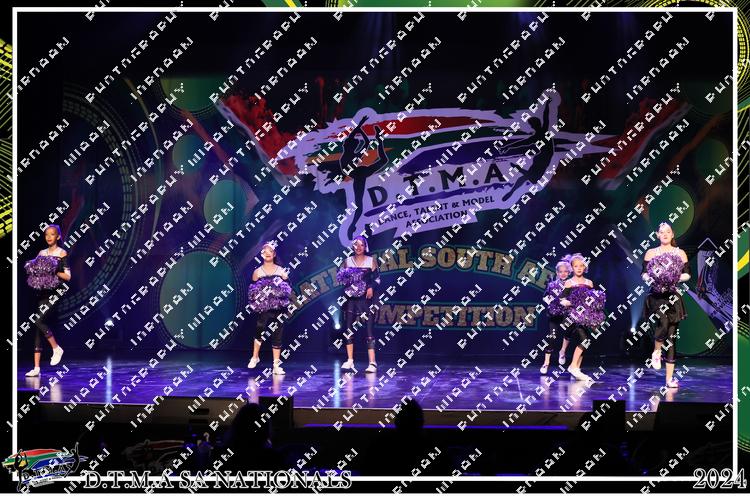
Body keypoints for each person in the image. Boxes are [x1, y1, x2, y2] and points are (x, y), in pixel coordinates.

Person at [640, 222, 689, 388]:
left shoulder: (680, 253)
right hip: (656, 296)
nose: (665, 234)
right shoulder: (651, 252)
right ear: (657, 235)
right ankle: (656, 351)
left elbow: (687, 274)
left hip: (673, 297)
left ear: (672, 234)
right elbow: (644, 273)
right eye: (662, 232)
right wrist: (653, 278)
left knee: (671, 337)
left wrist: (673, 277)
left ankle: (669, 379)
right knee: (663, 321)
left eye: (668, 232)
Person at [25, 225, 69, 377]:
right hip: (42, 292)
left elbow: (68, 276)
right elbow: (34, 271)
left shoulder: (62, 253)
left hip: (55, 293)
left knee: (38, 320)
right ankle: (36, 368)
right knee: (38, 326)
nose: (49, 237)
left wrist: (54, 270)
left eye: (52, 234)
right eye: (46, 234)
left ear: (58, 236)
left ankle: (56, 348)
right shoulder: (41, 253)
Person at [339, 235, 380, 373]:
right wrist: (347, 284)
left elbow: (377, 279)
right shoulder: (347, 261)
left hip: (366, 299)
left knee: (369, 329)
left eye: (361, 244)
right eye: (356, 244)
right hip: (351, 299)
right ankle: (350, 361)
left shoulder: (371, 260)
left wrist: (371, 287)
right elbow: (341, 278)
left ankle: (372, 362)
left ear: (365, 246)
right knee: (348, 329)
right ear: (353, 246)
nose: (358, 247)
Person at [248, 242, 289, 375]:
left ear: (274, 254)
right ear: (261, 254)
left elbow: (287, 290)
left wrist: (284, 281)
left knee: (278, 333)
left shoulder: (281, 271)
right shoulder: (257, 272)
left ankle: (276, 365)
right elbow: (252, 292)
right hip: (264, 308)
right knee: (259, 329)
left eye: (270, 251)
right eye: (264, 251)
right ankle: (255, 357)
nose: (267, 253)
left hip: (278, 308)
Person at [559, 253, 595, 382]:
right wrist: (569, 302)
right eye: (576, 266)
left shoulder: (589, 283)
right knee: (584, 340)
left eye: (581, 266)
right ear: (572, 268)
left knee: (585, 342)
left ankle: (577, 369)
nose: (579, 268)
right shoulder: (569, 282)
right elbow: (562, 299)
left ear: (585, 267)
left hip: (586, 316)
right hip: (573, 315)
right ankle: (573, 366)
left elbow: (593, 299)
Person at [540, 256, 572, 374]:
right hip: (553, 314)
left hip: (566, 314)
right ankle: (546, 363)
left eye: (565, 271)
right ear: (557, 273)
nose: (563, 274)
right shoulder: (552, 285)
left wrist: (569, 303)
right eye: (560, 271)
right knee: (552, 338)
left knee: (569, 331)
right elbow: (545, 296)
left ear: (569, 272)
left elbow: (576, 299)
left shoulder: (571, 285)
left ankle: (562, 351)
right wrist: (551, 301)